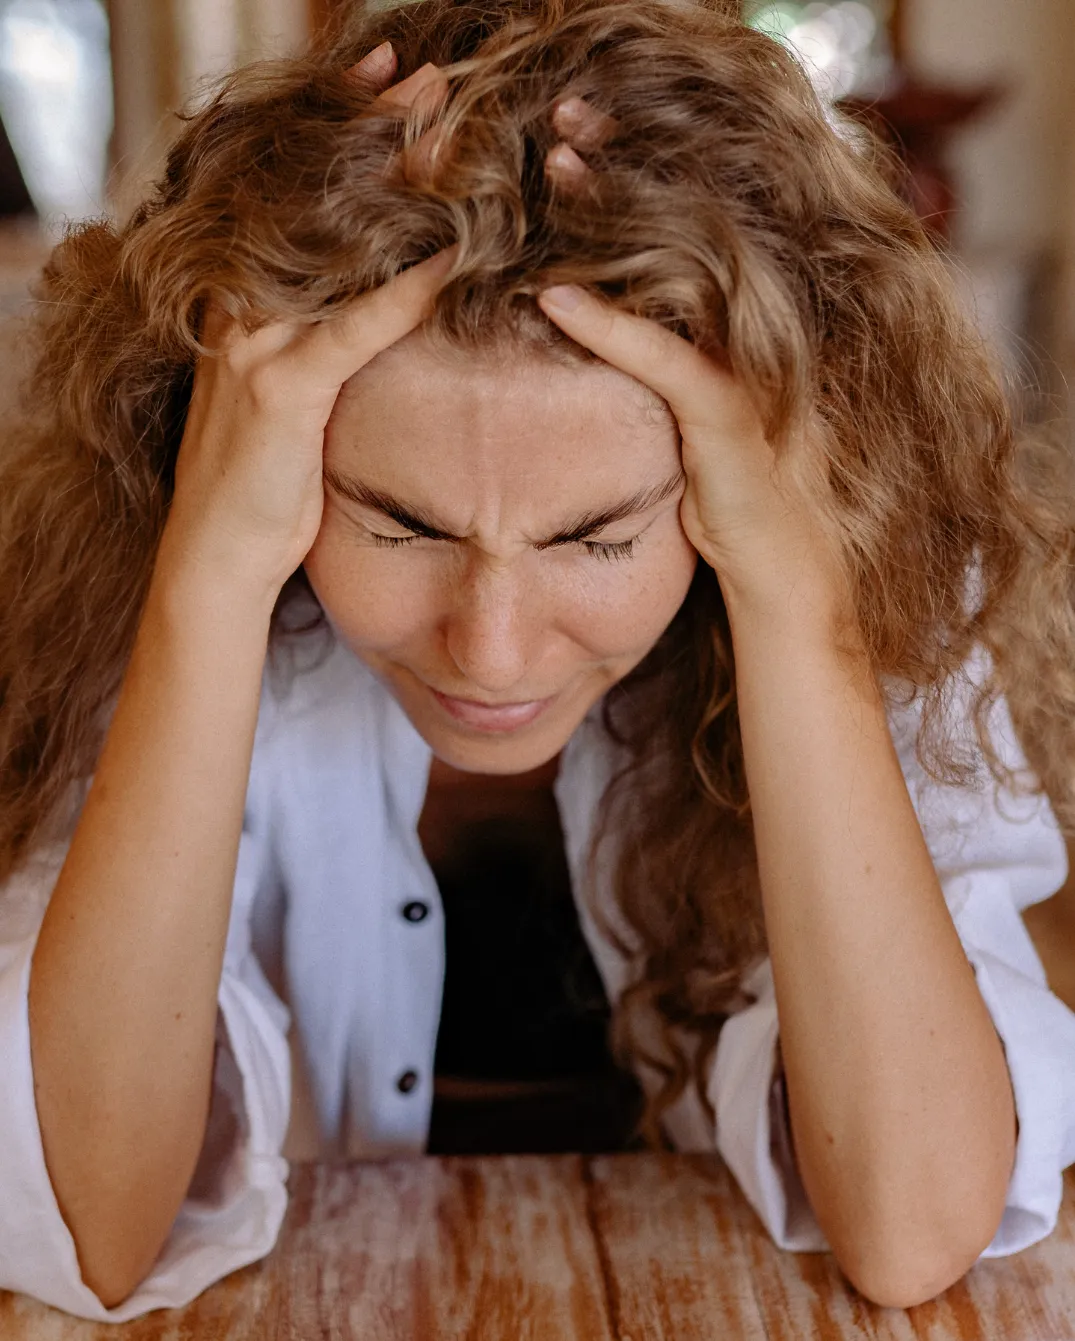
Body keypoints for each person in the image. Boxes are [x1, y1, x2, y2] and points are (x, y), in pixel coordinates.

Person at [1, 0, 1074, 1321]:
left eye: (596, 536)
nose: (491, 650)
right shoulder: (126, 579)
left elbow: (913, 1229)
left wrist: (798, 605)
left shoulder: (865, 583)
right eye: (399, 523)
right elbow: (93, 1229)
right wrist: (208, 569)